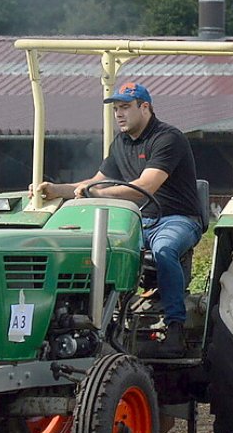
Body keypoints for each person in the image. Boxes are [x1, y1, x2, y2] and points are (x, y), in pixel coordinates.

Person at [35, 82, 201, 357]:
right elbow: (96, 181)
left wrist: (98, 192)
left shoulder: (168, 138)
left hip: (176, 218)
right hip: (135, 221)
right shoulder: (121, 143)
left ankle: (175, 327)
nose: (119, 114)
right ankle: (96, 325)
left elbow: (146, 186)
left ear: (145, 108)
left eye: (125, 107)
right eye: (116, 109)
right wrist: (57, 190)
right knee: (97, 252)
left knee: (164, 250)